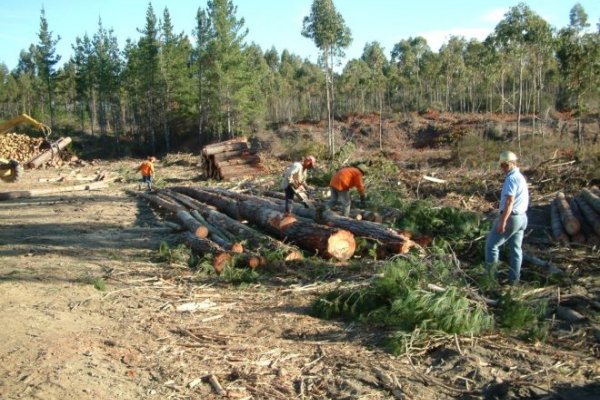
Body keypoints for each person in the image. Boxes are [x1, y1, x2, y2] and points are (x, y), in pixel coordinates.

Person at [485, 151, 529, 285]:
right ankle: (514, 281)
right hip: (522, 218)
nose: (502, 168)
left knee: (491, 246)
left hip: (511, 218)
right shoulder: (520, 177)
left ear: (511, 163)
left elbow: (510, 201)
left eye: (504, 165)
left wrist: (502, 221)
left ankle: (490, 280)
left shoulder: (511, 178)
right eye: (501, 165)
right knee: (515, 250)